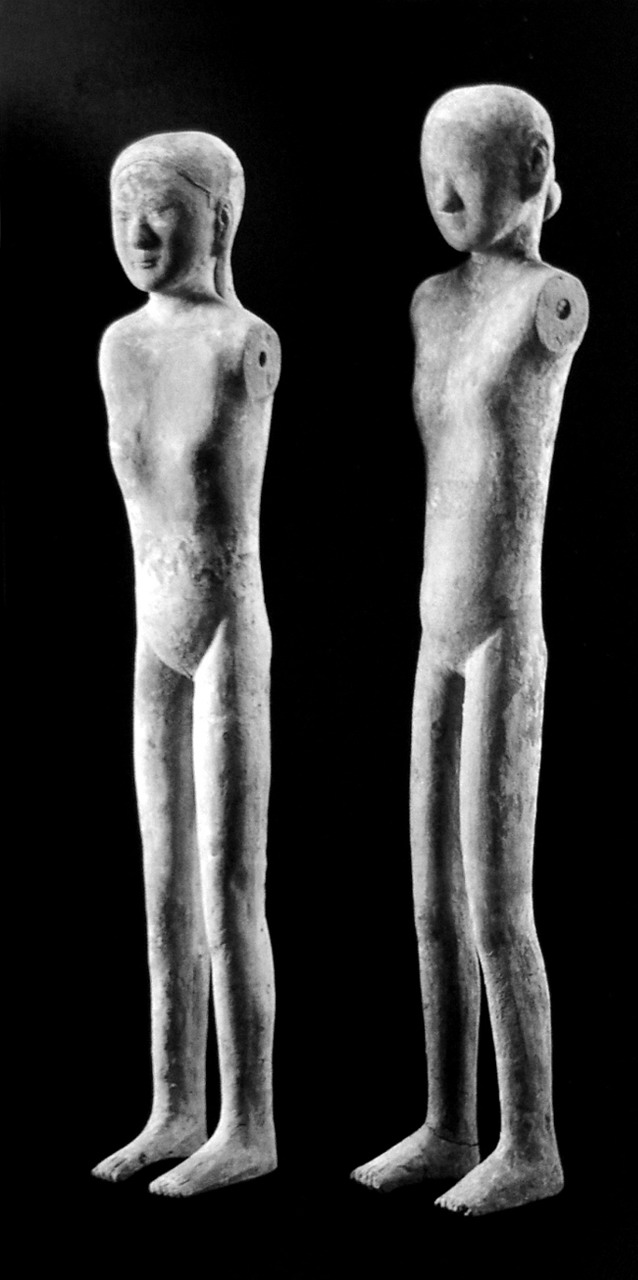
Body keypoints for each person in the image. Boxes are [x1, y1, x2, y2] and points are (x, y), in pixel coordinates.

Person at [352, 85, 588, 1215]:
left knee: (497, 901)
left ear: (531, 164)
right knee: (430, 899)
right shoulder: (431, 301)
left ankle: (529, 1140)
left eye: (466, 163)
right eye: (428, 164)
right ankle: (449, 1123)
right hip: (432, 633)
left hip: (501, 632)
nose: (441, 189)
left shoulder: (551, 298)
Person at [91, 131, 280, 1198]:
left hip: (223, 633)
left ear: (219, 218)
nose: (138, 228)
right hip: (149, 632)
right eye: (123, 207)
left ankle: (249, 1120)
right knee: (161, 879)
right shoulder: (119, 346)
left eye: (161, 206)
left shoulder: (246, 342)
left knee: (227, 878)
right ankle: (175, 1106)